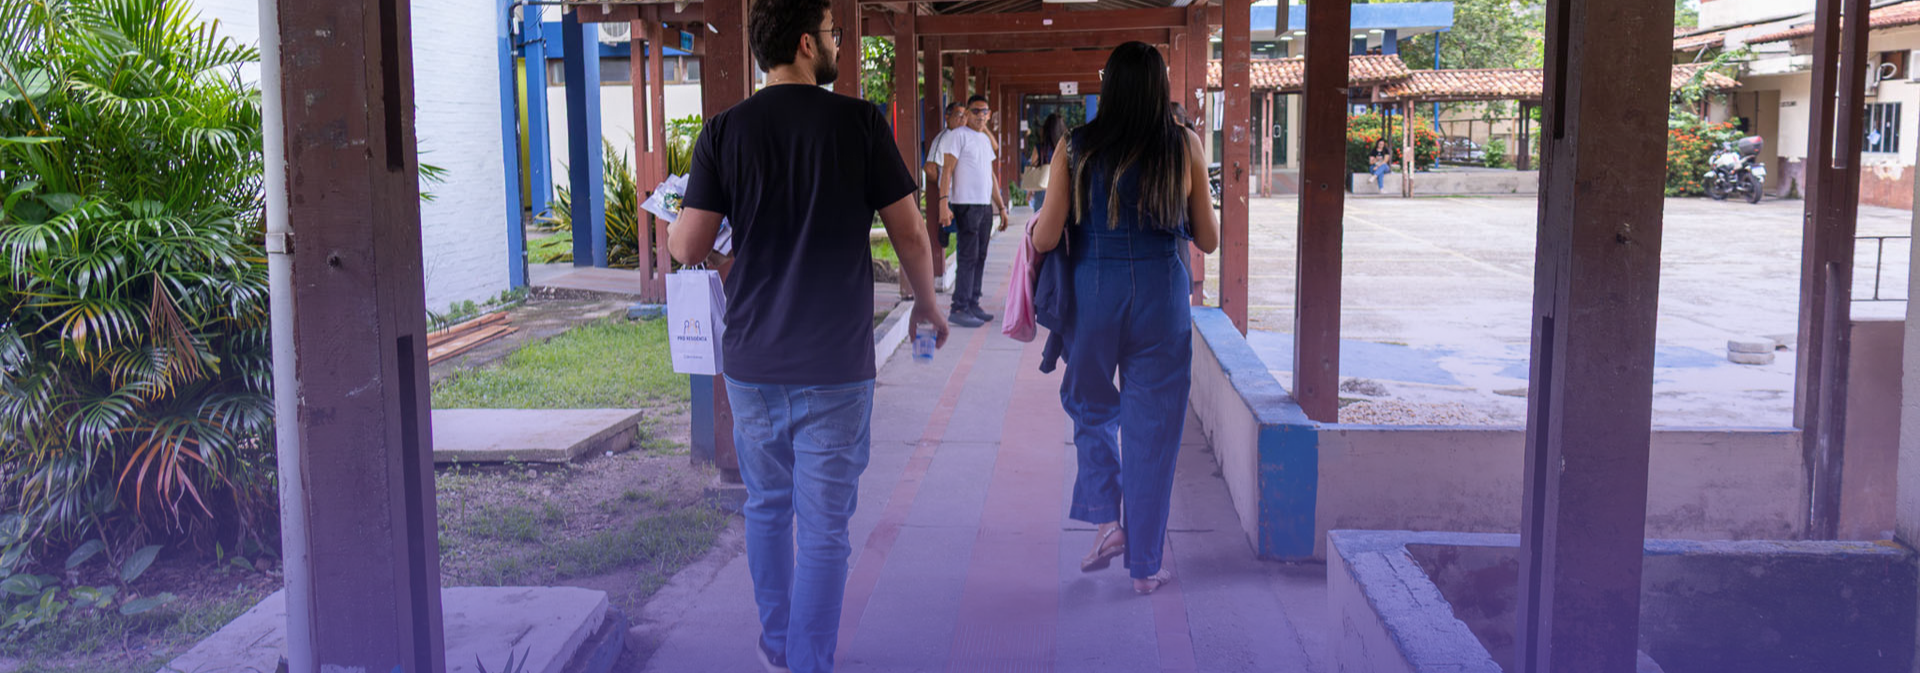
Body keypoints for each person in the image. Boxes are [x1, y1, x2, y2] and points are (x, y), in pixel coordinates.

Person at [667, 0, 949, 669]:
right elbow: (909, 230)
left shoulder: (725, 131)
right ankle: (809, 658)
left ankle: (775, 646)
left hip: (755, 359)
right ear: (803, 43)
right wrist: (927, 305)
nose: (840, 46)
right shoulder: (858, 123)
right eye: (833, 34)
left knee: (767, 507)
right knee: (824, 527)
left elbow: (688, 245)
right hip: (836, 363)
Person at [1029, 41, 1219, 596]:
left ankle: (1107, 522)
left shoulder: (1077, 146)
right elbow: (1207, 237)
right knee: (1153, 428)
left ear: (1107, 88)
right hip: (1162, 290)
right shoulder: (1183, 143)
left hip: (1094, 288)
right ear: (1161, 86)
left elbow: (1045, 233)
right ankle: (1145, 566)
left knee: (1089, 402)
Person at [939, 94, 1011, 328]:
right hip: (966, 204)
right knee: (968, 256)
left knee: (980, 256)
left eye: (985, 112)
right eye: (976, 111)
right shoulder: (957, 136)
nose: (981, 116)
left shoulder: (983, 140)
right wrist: (943, 203)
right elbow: (947, 171)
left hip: (984, 206)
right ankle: (959, 307)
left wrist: (1001, 206)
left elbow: (991, 176)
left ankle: (973, 302)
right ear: (967, 113)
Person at [1026, 113, 1067, 211]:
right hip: (1062, 189)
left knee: (1040, 221)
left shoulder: (1040, 148)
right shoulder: (1066, 148)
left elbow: (1033, 169)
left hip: (1043, 190)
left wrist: (1030, 191)